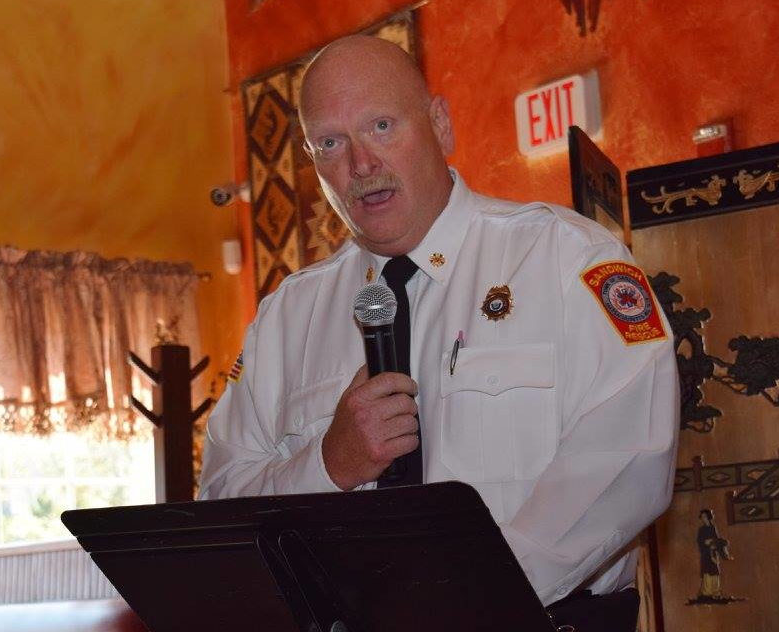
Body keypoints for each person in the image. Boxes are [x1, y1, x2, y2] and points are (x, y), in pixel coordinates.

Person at [199, 34, 679, 630]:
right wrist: (328, 462)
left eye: (381, 126)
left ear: (440, 125)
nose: (361, 164)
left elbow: (631, 457)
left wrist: (462, 600)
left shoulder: (567, 259)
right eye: (330, 143)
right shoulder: (286, 319)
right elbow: (219, 507)